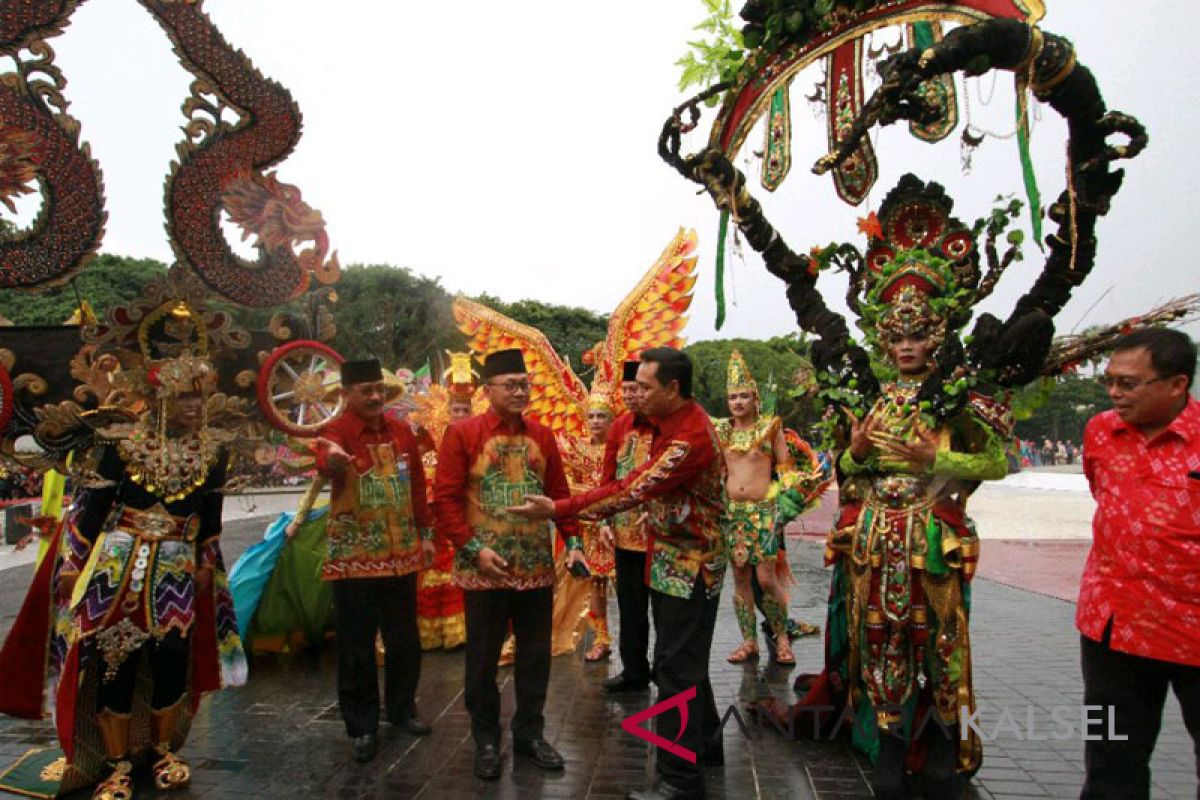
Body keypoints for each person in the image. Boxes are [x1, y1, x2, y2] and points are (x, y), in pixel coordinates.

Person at [0, 351, 246, 800]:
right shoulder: (123, 444)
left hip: (176, 565)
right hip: (119, 562)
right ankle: (115, 763)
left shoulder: (215, 450)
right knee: (116, 657)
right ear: (161, 398)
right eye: (183, 396)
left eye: (199, 396)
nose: (195, 405)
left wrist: (207, 564)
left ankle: (162, 750)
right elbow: (91, 512)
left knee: (172, 652)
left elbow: (211, 519)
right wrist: (73, 564)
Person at [510, 347, 727, 800]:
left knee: (674, 667)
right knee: (682, 660)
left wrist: (560, 508)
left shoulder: (689, 438)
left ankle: (680, 781)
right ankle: (705, 746)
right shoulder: (669, 424)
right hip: (671, 555)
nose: (636, 394)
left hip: (690, 564)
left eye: (645, 387)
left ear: (672, 389)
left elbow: (633, 488)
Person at [433, 348, 586, 781]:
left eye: (525, 385)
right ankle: (485, 738)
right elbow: (444, 501)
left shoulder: (544, 436)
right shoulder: (462, 435)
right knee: (482, 659)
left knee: (535, 656)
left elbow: (559, 496)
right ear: (488, 391)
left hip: (535, 567)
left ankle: (529, 734)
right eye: (511, 385)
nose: (520, 392)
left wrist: (573, 541)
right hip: (484, 569)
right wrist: (473, 549)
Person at [1076, 327, 1199, 800]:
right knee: (1110, 761)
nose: (1114, 393)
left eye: (1128, 384)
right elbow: (1102, 494)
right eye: (1109, 381)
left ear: (1176, 384)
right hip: (1111, 628)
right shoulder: (1100, 431)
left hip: (1192, 628)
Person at [312, 358, 437, 764]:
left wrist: (427, 534)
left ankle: (403, 710)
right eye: (365, 390)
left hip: (401, 554)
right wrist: (331, 459)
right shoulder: (336, 432)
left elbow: (418, 486)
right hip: (354, 559)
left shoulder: (402, 431)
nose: (375, 397)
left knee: (404, 640)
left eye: (379, 389)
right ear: (347, 394)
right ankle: (362, 726)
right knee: (356, 646)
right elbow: (324, 458)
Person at [715, 348, 803, 666]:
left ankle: (781, 637)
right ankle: (749, 641)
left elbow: (787, 467)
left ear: (754, 398)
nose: (737, 402)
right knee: (739, 578)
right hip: (732, 514)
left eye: (743, 396)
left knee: (766, 579)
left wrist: (785, 499)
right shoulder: (722, 431)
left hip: (763, 512)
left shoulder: (769, 427)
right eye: (732, 397)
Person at [599, 360, 656, 693]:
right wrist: (606, 520)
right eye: (627, 389)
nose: (632, 394)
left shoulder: (664, 424)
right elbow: (608, 478)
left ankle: (666, 671)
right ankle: (634, 670)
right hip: (623, 533)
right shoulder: (618, 427)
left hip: (659, 535)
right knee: (630, 607)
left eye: (638, 388)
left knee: (664, 609)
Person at [559, 380, 617, 661]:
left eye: (601, 416)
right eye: (591, 416)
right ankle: (602, 638)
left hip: (620, 525)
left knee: (628, 586)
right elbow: (569, 486)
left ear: (612, 419)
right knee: (596, 583)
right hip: (591, 527)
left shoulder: (621, 449)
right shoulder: (577, 449)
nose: (595, 421)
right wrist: (593, 500)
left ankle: (634, 643)